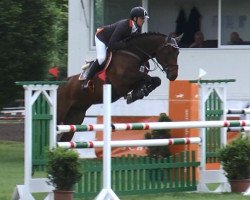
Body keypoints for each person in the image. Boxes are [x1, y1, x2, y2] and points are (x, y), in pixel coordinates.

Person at [82, 6, 149, 88]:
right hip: (102, 37)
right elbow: (112, 45)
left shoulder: (138, 29)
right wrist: (126, 45)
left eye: (144, 18)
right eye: (142, 18)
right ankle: (87, 81)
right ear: (135, 18)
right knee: (102, 58)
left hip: (114, 41)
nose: (144, 20)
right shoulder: (124, 26)